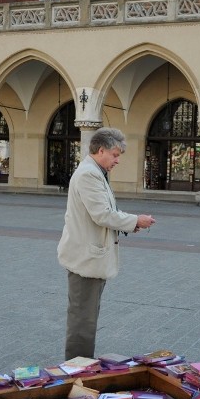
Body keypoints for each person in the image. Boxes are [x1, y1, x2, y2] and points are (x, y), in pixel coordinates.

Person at [57, 127, 155, 359]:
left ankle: (81, 368)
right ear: (101, 150)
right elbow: (102, 214)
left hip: (90, 258)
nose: (117, 160)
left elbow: (107, 211)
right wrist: (134, 220)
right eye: (115, 154)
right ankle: (76, 372)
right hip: (85, 259)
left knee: (87, 317)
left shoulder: (95, 171)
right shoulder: (89, 174)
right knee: (83, 320)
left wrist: (131, 223)